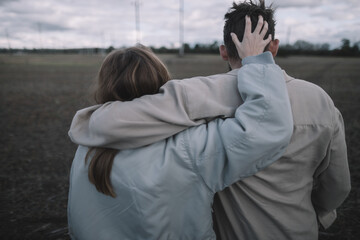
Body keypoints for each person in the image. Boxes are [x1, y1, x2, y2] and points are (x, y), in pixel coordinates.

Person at [69, 1, 351, 239]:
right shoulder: (320, 100)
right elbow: (337, 185)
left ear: (223, 51)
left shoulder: (198, 99)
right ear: (274, 46)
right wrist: (318, 215)